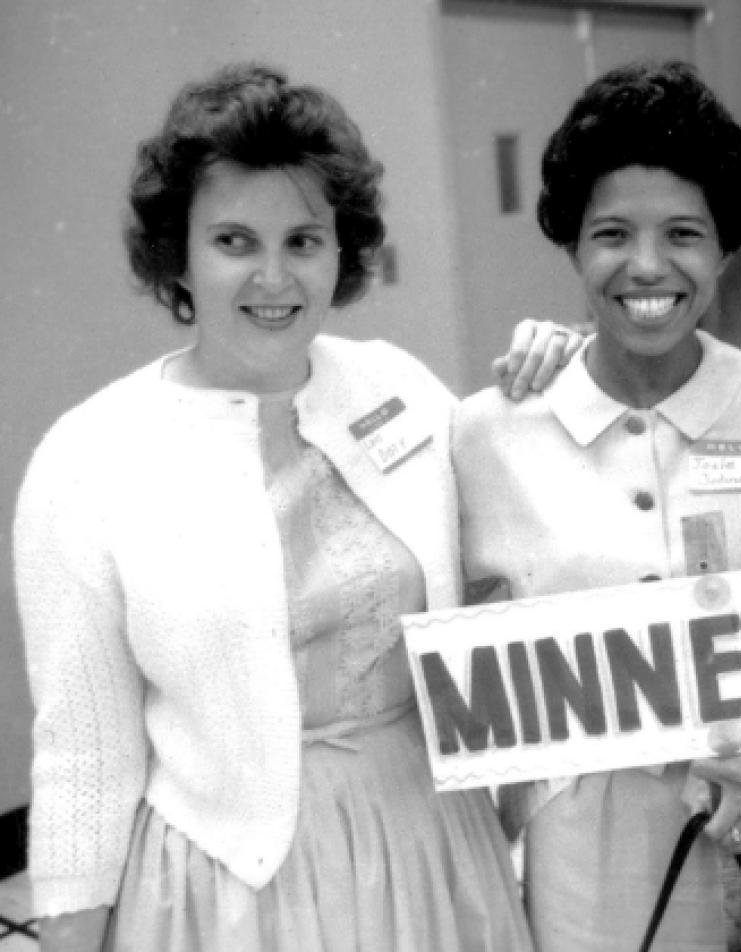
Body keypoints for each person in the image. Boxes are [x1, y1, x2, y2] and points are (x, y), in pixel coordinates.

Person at [14, 62, 574, 952]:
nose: (273, 277)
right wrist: (65, 941)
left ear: (341, 250)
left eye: (304, 241)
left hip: (428, 844)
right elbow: (84, 749)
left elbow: (512, 580)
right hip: (228, 885)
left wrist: (565, 389)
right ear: (179, 254)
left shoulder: (402, 389)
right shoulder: (89, 460)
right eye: (234, 241)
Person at [452, 61, 741, 952]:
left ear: (726, 248)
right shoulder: (486, 436)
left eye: (683, 233)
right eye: (611, 234)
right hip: (582, 861)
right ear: (571, 244)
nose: (647, 266)